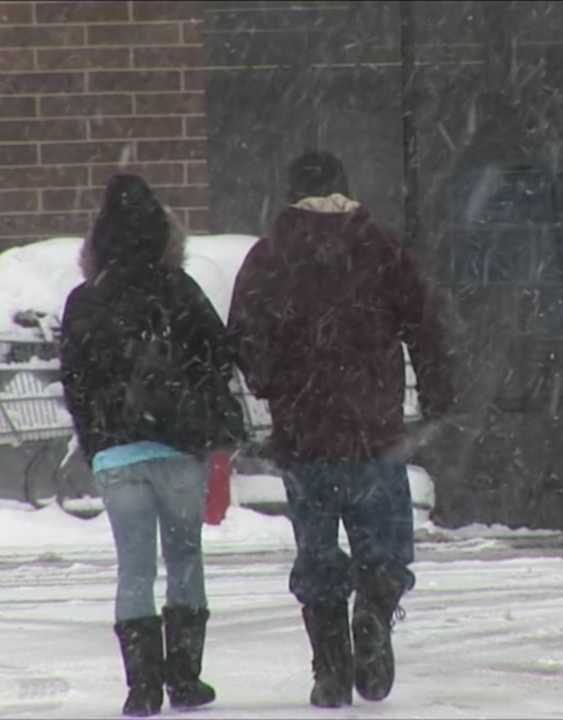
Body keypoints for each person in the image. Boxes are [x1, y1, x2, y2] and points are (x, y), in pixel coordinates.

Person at [227, 151, 455, 707]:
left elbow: (242, 334)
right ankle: (374, 609)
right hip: (372, 429)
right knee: (386, 543)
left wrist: (271, 382)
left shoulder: (270, 256)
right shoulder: (382, 248)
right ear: (345, 189)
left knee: (318, 553)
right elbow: (425, 325)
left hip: (304, 435)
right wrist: (437, 395)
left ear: (291, 192)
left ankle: (330, 666)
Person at [59, 174, 245, 717]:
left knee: (134, 567)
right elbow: (219, 356)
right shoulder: (180, 290)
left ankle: (141, 687)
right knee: (185, 557)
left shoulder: (84, 300)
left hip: (118, 453)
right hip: (178, 449)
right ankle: (185, 678)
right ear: (166, 237)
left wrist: (98, 440)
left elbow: (75, 379)